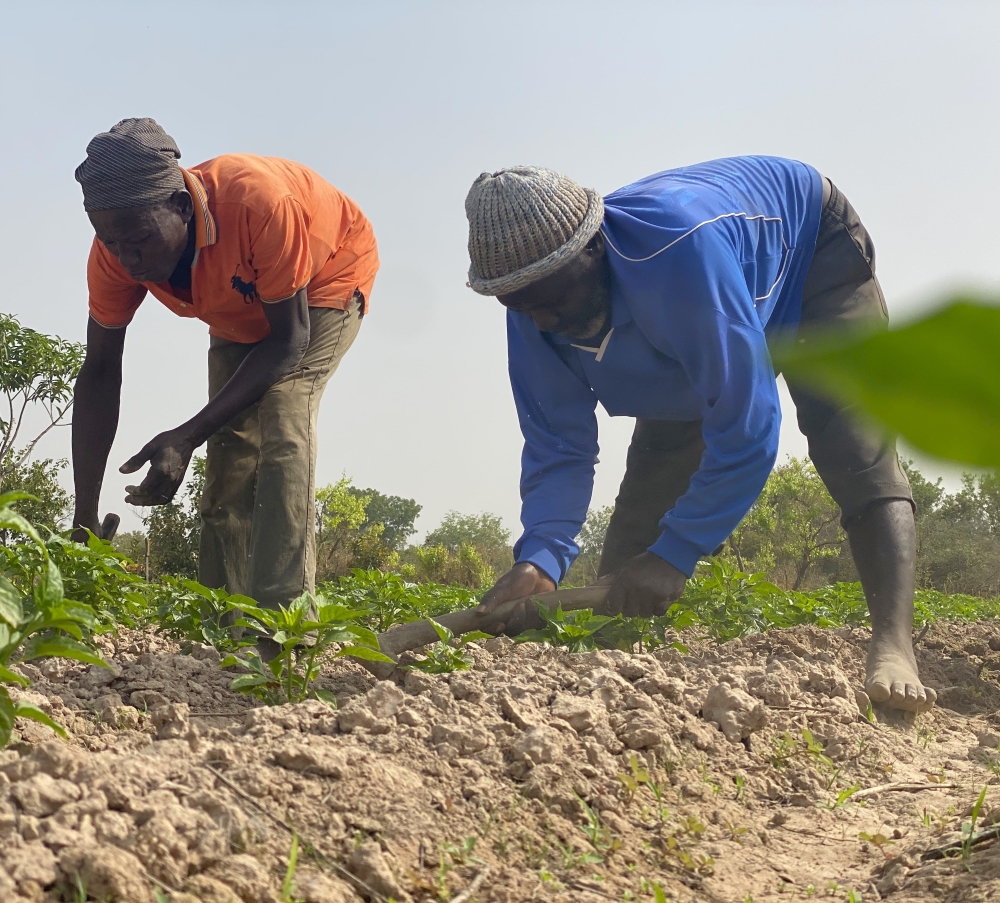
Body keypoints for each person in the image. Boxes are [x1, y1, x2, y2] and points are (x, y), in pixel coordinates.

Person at [465, 157, 933, 713]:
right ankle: (623, 666)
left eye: (552, 299)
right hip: (689, 317)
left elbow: (749, 427)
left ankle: (893, 643)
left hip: (809, 247)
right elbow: (558, 445)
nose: (541, 320)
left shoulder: (677, 258)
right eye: (519, 305)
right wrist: (540, 559)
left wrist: (677, 553)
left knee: (852, 440)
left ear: (593, 249)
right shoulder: (534, 303)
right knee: (641, 525)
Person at [72, 118, 378, 657]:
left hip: (323, 280)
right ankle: (220, 629)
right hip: (239, 308)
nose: (128, 257)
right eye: (110, 239)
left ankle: (282, 629)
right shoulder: (116, 253)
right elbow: (99, 373)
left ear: (182, 207)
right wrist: (84, 512)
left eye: (140, 238)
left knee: (284, 413)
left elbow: (287, 342)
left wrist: (184, 435)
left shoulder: (258, 202)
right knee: (231, 454)